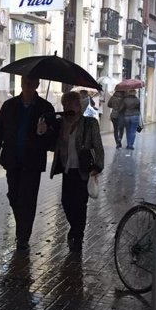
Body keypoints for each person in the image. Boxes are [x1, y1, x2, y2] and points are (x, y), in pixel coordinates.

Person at [0, 75, 55, 251]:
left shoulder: (46, 108)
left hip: (32, 162)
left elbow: (53, 142)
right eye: (25, 81)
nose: (28, 85)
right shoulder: (9, 105)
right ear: (21, 83)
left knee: (28, 200)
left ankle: (23, 237)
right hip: (12, 159)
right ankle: (22, 226)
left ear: (37, 84)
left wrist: (45, 131)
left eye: (31, 82)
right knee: (14, 196)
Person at [50, 91, 104, 252]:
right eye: (65, 104)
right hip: (67, 169)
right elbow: (53, 145)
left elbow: (98, 147)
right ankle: (75, 229)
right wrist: (44, 130)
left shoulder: (90, 123)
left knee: (80, 205)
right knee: (67, 203)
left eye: (72, 104)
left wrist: (97, 167)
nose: (68, 107)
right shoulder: (60, 124)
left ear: (79, 106)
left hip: (83, 170)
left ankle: (77, 237)